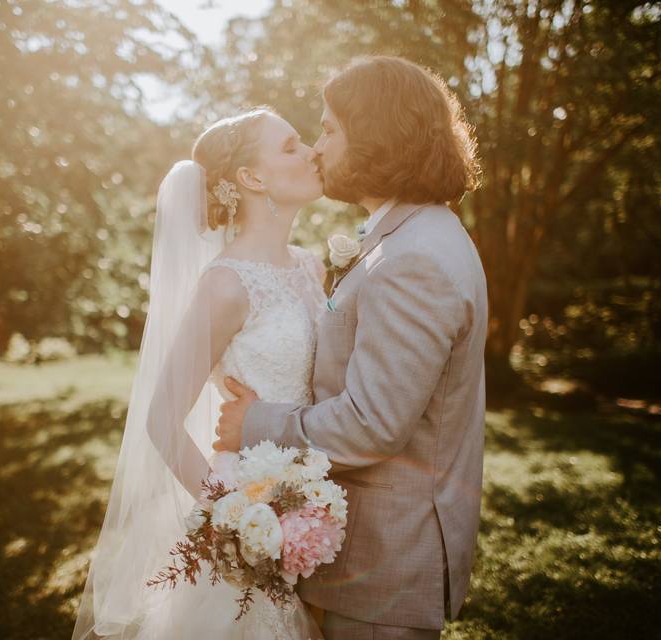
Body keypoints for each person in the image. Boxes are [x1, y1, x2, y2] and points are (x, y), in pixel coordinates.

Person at [214, 55, 487, 640]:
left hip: (384, 566)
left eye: (329, 128)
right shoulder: (407, 237)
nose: (317, 146)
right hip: (365, 560)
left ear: (377, 137)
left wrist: (254, 422)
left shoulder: (414, 258)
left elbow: (373, 424)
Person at [71, 106, 327, 639]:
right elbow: (161, 419)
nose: (312, 152)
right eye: (291, 146)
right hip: (256, 514)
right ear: (252, 179)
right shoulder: (226, 285)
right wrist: (235, 520)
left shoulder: (311, 266)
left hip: (318, 503)